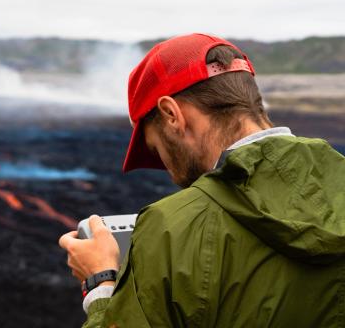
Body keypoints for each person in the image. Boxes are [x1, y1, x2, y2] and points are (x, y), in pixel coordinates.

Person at [58, 33, 345, 327]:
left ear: (172, 114)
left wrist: (101, 285)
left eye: (156, 149)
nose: (166, 168)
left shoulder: (169, 228)